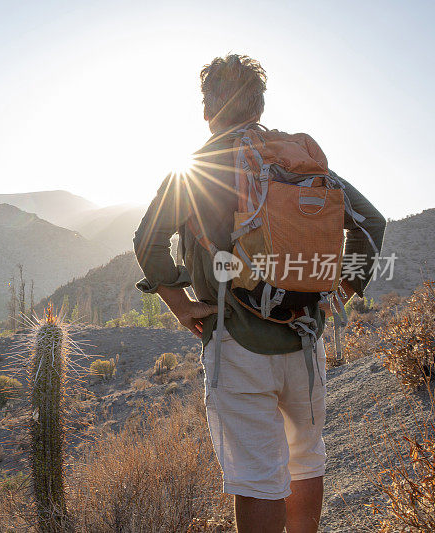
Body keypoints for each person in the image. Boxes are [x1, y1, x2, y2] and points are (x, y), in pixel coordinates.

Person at [133, 54, 386, 533]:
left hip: (236, 342)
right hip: (306, 341)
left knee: (257, 479)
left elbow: (147, 239)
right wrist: (341, 291)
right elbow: (371, 222)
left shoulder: (200, 165)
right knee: (306, 460)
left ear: (209, 106)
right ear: (259, 103)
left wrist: (182, 305)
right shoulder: (296, 159)